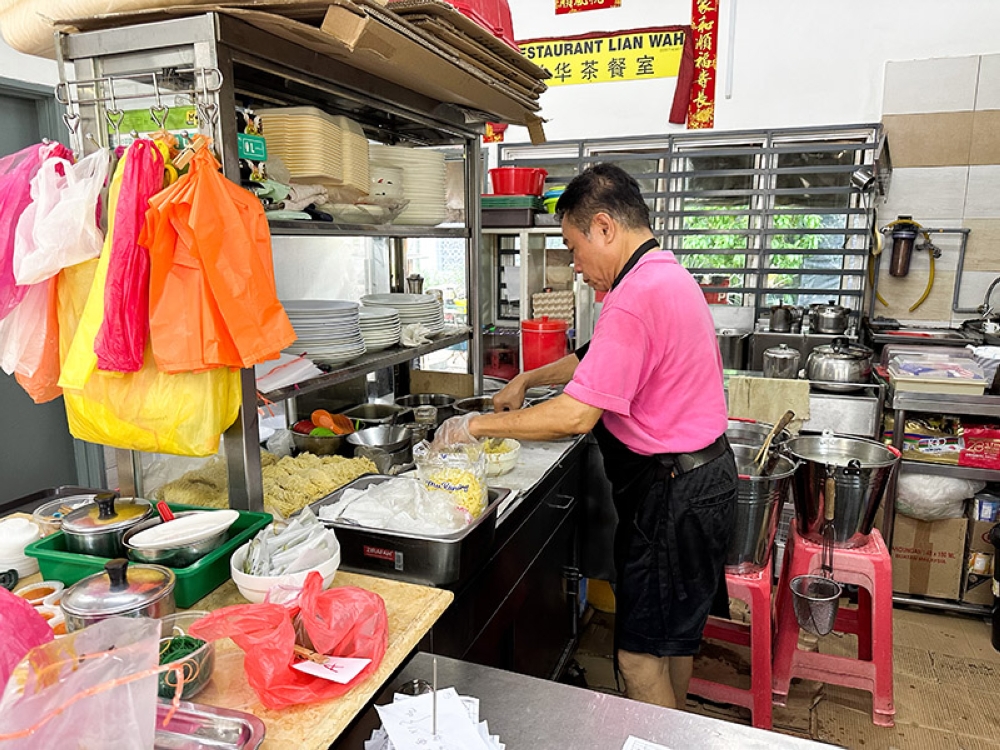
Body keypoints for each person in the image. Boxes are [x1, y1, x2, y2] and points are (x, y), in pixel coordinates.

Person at [434, 163, 737, 709]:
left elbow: (576, 415)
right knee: (671, 640)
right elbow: (595, 356)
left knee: (639, 659)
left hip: (673, 496)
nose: (575, 265)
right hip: (703, 481)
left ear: (603, 227)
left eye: (574, 248)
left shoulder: (635, 294)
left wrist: (470, 425)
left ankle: (659, 740)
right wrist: (527, 378)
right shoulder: (664, 274)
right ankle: (674, 731)